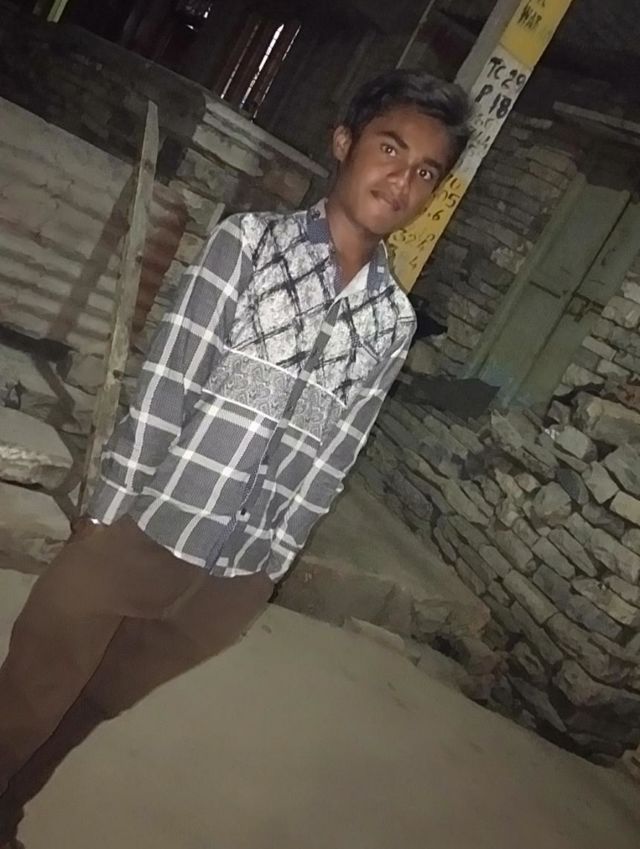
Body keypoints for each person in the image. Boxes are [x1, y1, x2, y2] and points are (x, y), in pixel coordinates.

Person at [0, 69, 470, 846]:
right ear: (345, 142)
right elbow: (167, 381)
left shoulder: (390, 319)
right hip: (145, 526)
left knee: (95, 705)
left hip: (233, 573)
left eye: (426, 172)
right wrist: (107, 512)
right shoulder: (249, 246)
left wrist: (270, 566)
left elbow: (336, 450)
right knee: (30, 691)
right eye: (391, 149)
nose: (403, 180)